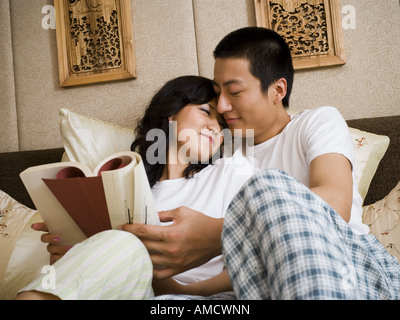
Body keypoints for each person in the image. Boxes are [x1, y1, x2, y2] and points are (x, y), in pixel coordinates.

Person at [120, 27, 400, 299]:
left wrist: (215, 233)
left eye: (235, 92)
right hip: (265, 282)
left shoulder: (317, 123)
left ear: (277, 90)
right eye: (218, 94)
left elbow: (335, 201)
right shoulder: (225, 152)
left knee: (267, 186)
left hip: (349, 262)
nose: (223, 107)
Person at [16, 76, 254, 300]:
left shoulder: (231, 171)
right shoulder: (130, 191)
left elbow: (254, 262)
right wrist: (70, 253)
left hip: (187, 297)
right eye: (205, 111)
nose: (215, 127)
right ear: (171, 113)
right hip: (118, 289)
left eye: (222, 125)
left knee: (126, 243)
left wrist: (177, 288)